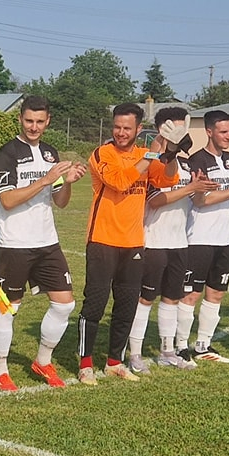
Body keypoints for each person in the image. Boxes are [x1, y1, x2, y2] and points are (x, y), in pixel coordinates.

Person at [0, 94, 83, 390]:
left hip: (47, 241)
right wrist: (44, 179)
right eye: (29, 120)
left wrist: (65, 183)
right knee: (9, 307)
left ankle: (43, 361)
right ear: (20, 119)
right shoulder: (6, 154)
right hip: (15, 242)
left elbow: (60, 202)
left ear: (48, 121)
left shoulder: (51, 153)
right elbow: (7, 200)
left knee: (65, 304)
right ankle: (1, 370)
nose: (34, 126)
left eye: (40, 121)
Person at [76, 104, 154, 383]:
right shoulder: (102, 154)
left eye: (127, 128)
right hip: (102, 240)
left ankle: (114, 362)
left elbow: (167, 178)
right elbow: (120, 182)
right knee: (95, 304)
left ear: (138, 130)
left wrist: (169, 152)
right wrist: (154, 155)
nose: (120, 133)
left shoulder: (146, 155)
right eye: (117, 127)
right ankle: (85, 364)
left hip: (133, 243)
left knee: (126, 305)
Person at [133, 105, 206, 370]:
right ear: (164, 129)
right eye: (175, 127)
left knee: (172, 298)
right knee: (145, 298)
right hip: (154, 241)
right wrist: (190, 187)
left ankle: (167, 351)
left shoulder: (185, 163)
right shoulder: (152, 161)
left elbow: (196, 200)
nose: (181, 132)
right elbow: (155, 200)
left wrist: (198, 189)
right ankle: (135, 353)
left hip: (179, 242)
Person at [182, 111, 229, 363]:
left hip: (225, 239)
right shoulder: (197, 161)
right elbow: (200, 201)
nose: (228, 136)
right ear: (209, 132)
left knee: (216, 293)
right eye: (224, 132)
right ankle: (181, 347)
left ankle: (203, 346)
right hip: (199, 238)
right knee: (191, 294)